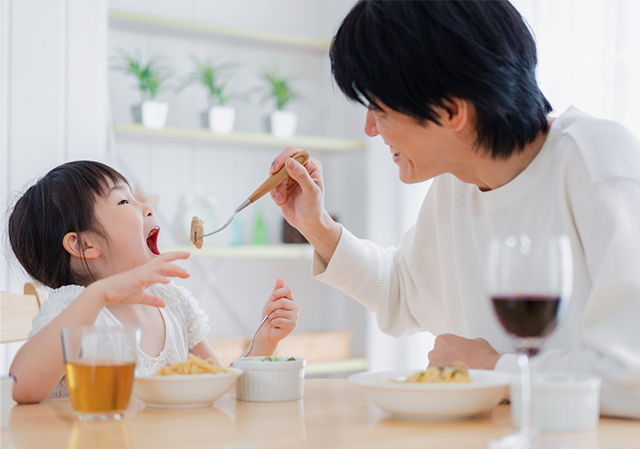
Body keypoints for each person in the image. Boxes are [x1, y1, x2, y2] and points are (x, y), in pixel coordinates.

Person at [269, 0, 640, 418]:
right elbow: (404, 290)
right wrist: (317, 227)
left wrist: (493, 370)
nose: (370, 128)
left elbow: (632, 375)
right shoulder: (454, 184)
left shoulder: (597, 160)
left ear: (451, 110)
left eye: (380, 108)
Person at [8, 160, 299, 403]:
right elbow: (23, 386)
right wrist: (99, 295)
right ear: (84, 246)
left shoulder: (173, 303)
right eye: (123, 201)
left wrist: (262, 343)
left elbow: (219, 386)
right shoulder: (73, 309)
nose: (146, 207)